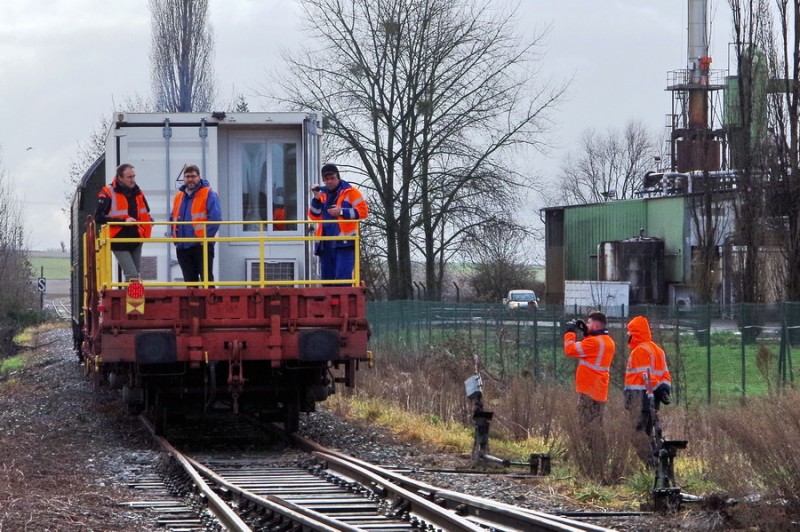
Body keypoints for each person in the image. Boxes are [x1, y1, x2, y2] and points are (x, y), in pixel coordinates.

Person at [308, 163, 368, 285]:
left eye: (332, 178)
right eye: (326, 179)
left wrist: (341, 212)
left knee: (342, 281)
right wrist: (316, 198)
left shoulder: (351, 192)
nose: (329, 182)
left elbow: (363, 212)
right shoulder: (322, 194)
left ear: (338, 177)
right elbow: (314, 216)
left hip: (345, 242)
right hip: (325, 243)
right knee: (327, 282)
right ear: (323, 180)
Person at [563, 311, 616, 449]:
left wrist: (570, 333)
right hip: (600, 390)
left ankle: (594, 454)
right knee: (597, 424)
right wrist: (587, 333)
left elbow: (570, 349)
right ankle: (601, 454)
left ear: (596, 324)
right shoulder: (608, 341)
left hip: (589, 390)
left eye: (589, 323)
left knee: (586, 424)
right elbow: (592, 349)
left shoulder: (593, 343)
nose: (587, 325)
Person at [624, 315, 672, 463]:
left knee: (636, 433)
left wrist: (655, 389)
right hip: (653, 399)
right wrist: (663, 391)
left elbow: (646, 375)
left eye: (629, 331)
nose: (628, 335)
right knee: (648, 432)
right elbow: (665, 375)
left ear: (636, 332)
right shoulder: (658, 350)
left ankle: (652, 463)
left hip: (640, 398)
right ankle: (657, 464)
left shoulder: (640, 351)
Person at [95, 163, 152, 281]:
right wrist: (123, 221)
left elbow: (146, 211)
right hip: (118, 240)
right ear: (120, 178)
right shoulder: (108, 192)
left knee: (136, 275)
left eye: (134, 176)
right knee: (132, 276)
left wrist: (149, 221)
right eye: (129, 177)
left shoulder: (138, 192)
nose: (133, 180)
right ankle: (133, 299)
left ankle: (130, 298)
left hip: (136, 238)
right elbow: (98, 218)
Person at [170, 164, 222, 285]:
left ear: (199, 177)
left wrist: (204, 238)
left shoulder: (208, 194)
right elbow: (172, 218)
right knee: (190, 282)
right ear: (183, 178)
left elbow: (215, 219)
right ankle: (192, 304)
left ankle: (210, 303)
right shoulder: (179, 197)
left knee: (206, 280)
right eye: (187, 176)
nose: (190, 179)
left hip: (201, 245)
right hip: (183, 246)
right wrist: (175, 238)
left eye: (193, 176)